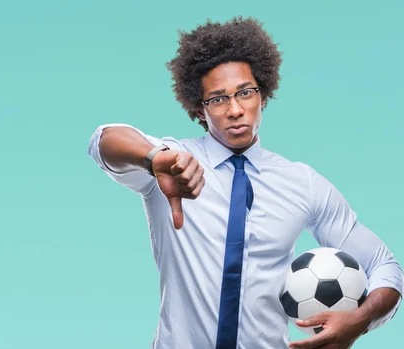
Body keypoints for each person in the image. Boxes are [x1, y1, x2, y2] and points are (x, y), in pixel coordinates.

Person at [87, 16, 403, 349]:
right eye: (218, 99)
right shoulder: (175, 163)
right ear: (199, 107)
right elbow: (104, 140)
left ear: (262, 95)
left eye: (245, 93)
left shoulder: (302, 183)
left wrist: (363, 317)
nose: (235, 109)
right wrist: (151, 159)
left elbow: (383, 264)